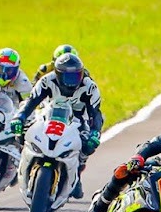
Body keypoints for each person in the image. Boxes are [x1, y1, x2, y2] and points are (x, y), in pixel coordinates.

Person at [11, 51, 105, 199]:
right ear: (58, 74)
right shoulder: (47, 80)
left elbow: (96, 114)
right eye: (67, 77)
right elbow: (30, 103)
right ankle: (23, 160)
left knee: (87, 146)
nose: (71, 81)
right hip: (48, 114)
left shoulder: (89, 87)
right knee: (22, 132)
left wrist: (95, 132)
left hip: (77, 119)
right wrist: (19, 118)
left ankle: (76, 175)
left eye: (75, 76)